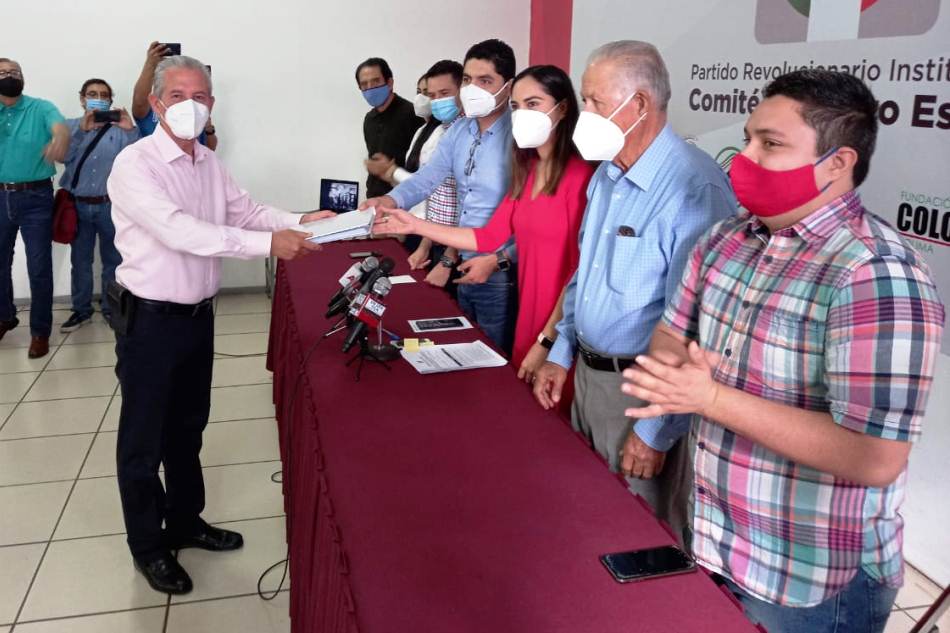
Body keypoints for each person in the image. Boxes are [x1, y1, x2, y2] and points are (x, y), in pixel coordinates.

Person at [623, 69, 945, 633]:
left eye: (769, 144)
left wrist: (710, 398)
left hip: (808, 578)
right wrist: (675, 375)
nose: (744, 158)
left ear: (838, 163)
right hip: (713, 538)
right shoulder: (725, 239)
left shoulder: (876, 273)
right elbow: (672, 333)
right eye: (748, 138)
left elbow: (874, 457)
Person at [107, 55, 334, 596]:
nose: (190, 105)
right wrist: (268, 244)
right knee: (143, 440)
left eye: (201, 96)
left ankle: (186, 522)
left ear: (212, 103)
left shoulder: (206, 161)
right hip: (150, 322)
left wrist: (301, 220)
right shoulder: (136, 164)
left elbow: (246, 212)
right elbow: (181, 231)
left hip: (197, 319)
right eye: (178, 95)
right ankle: (148, 545)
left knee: (188, 429)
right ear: (156, 102)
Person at [531, 41, 736, 542]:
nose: (584, 114)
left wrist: (654, 431)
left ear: (639, 104)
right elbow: (586, 275)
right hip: (589, 380)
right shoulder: (606, 175)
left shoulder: (695, 187)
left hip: (640, 396)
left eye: (595, 102)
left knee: (635, 539)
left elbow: (697, 326)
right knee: (585, 520)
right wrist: (560, 352)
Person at [377, 65, 592, 389]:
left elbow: (578, 274)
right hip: (528, 313)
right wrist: (416, 225)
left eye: (533, 104)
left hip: (560, 329)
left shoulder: (583, 177)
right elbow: (487, 236)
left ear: (562, 108)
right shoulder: (528, 170)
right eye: (517, 106)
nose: (522, 115)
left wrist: (547, 342)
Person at [362, 39, 518, 354]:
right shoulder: (460, 130)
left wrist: (500, 259)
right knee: (465, 346)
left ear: (509, 86)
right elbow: (428, 178)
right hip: (462, 257)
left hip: (500, 267)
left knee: (495, 355)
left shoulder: (519, 136)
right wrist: (390, 200)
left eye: (485, 81)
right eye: (468, 80)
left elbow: (534, 217)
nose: (473, 89)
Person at [366, 60, 464, 289]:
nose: (430, 100)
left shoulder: (458, 133)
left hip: (456, 245)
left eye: (443, 94)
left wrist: (391, 173)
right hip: (425, 230)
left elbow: (455, 201)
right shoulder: (431, 130)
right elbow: (430, 187)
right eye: (428, 94)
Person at [0, 57, 69, 359]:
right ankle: (5, 317)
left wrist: (60, 140)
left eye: (14, 72)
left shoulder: (40, 107)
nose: (10, 76)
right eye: (3, 72)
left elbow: (60, 129)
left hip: (36, 197)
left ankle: (40, 331)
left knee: (39, 267)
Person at [59, 78, 139, 332]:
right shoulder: (70, 126)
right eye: (92, 94)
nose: (99, 98)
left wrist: (130, 130)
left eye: (104, 95)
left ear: (111, 100)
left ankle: (110, 309)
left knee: (113, 261)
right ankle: (81, 310)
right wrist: (81, 132)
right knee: (80, 262)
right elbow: (63, 157)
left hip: (111, 206)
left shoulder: (121, 129)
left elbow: (139, 161)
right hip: (78, 206)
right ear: (82, 99)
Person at [356, 57, 423, 198]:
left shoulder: (413, 114)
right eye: (364, 84)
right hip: (374, 198)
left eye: (375, 81)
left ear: (389, 83)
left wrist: (391, 170)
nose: (370, 88)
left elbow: (423, 169)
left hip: (403, 199)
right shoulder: (369, 119)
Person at [132, 42, 217, 150]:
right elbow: (139, 102)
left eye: (198, 96)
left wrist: (209, 128)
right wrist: (150, 65)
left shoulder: (197, 109)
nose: (188, 102)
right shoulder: (136, 159)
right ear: (156, 103)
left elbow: (210, 148)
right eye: (177, 95)